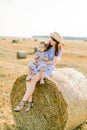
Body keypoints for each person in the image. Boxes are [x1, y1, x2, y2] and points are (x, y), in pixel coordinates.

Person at [14, 32, 63, 112]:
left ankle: (22, 102)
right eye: (50, 38)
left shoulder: (59, 50)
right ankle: (30, 102)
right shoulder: (47, 45)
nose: (50, 40)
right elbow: (39, 52)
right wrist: (35, 57)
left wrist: (42, 63)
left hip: (47, 67)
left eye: (52, 39)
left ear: (56, 41)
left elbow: (52, 62)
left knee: (33, 79)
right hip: (38, 64)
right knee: (28, 79)